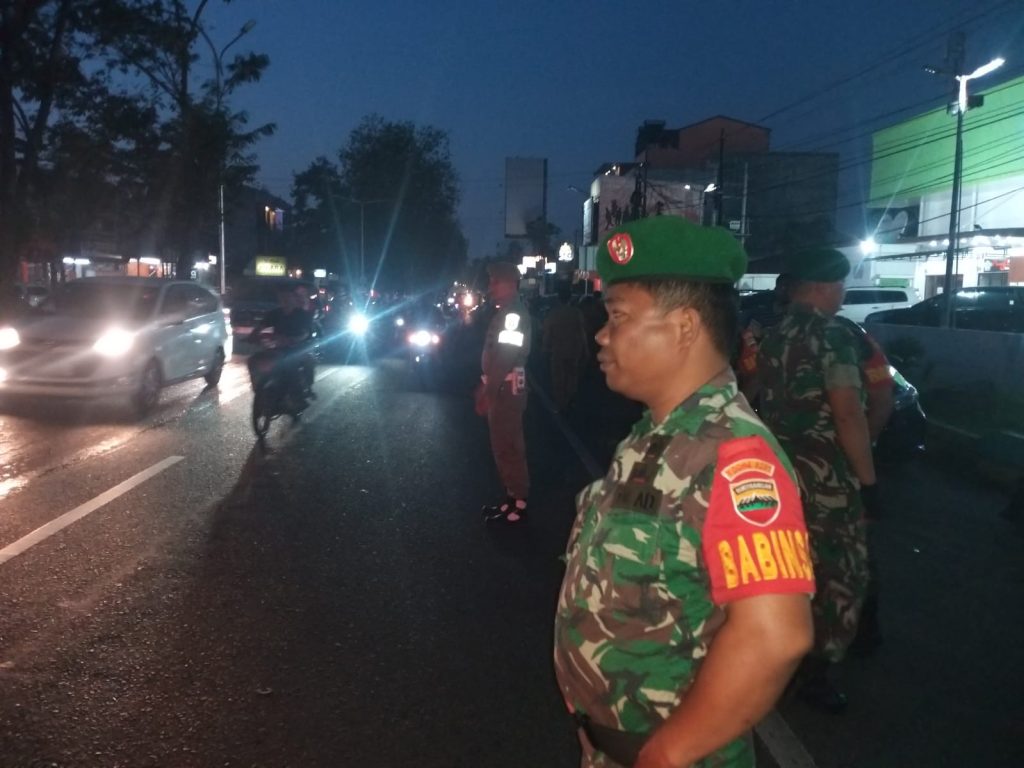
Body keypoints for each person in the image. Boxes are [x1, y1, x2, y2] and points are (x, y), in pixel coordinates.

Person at [553, 216, 815, 768]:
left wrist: (670, 752)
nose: (601, 335)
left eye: (618, 316)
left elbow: (776, 636)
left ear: (685, 326)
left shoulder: (736, 456)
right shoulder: (656, 435)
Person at [756, 247, 875, 713]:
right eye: (841, 286)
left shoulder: (774, 334)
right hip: (827, 480)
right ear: (826, 287)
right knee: (840, 574)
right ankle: (816, 670)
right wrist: (868, 481)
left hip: (780, 474)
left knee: (788, 569)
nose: (842, 294)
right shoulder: (833, 336)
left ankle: (777, 653)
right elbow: (847, 412)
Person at [478, 262, 532, 525]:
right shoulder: (506, 312)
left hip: (505, 388)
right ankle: (511, 497)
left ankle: (519, 501)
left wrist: (489, 389)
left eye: (495, 281)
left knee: (508, 446)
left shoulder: (513, 315)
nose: (491, 287)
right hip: (502, 386)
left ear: (510, 284)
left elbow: (506, 356)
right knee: (502, 444)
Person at [247, 285, 316, 410]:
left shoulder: (303, 315)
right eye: (282, 298)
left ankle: (298, 397)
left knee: (292, 366)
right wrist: (253, 336)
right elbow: (262, 327)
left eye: (288, 297)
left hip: (296, 349)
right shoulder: (274, 314)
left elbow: (306, 333)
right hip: (276, 348)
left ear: (294, 299)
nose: (285, 300)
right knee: (253, 360)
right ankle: (258, 389)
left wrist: (294, 339)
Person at [542, 284, 590, 412]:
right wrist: (585, 349)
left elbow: (547, 332)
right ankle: (570, 400)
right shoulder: (576, 313)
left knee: (558, 378)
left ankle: (561, 404)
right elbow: (582, 332)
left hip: (558, 350)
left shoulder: (554, 314)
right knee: (572, 376)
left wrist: (545, 347)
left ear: (558, 298)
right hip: (574, 349)